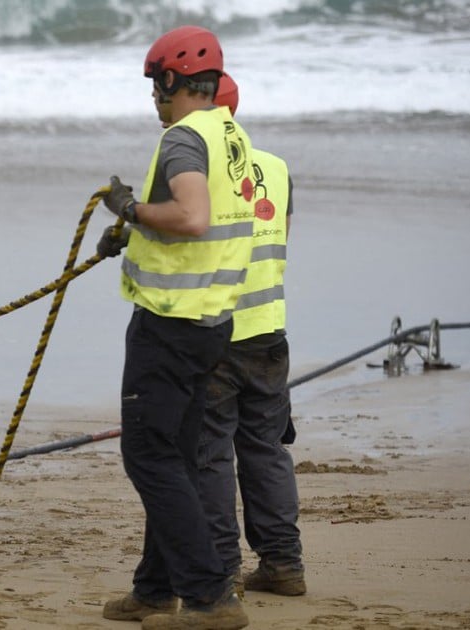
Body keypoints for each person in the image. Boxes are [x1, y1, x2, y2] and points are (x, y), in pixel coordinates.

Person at [98, 26, 255, 630]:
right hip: (212, 321)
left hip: (172, 324)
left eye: (154, 86)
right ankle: (155, 589)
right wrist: (136, 228)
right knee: (178, 456)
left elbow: (192, 215)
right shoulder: (229, 133)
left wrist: (132, 209)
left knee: (149, 456)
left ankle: (210, 598)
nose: (153, 99)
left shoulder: (184, 139)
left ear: (170, 80)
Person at [197, 73, 306, 597]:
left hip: (215, 334)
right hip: (268, 331)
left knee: (211, 454)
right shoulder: (279, 168)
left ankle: (220, 574)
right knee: (265, 451)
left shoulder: (195, 173)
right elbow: (282, 236)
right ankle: (284, 565)